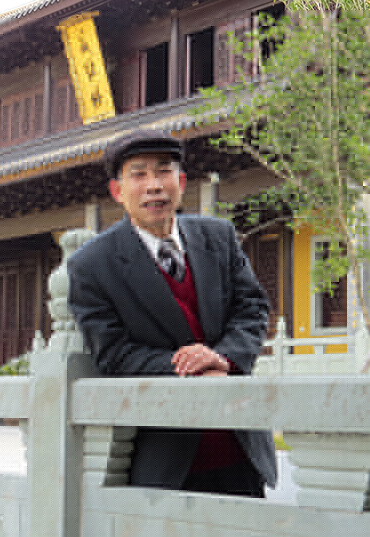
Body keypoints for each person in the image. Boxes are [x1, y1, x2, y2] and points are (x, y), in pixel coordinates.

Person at [67, 129, 277, 496]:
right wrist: (188, 365)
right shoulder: (92, 264)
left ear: (180, 183)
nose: (153, 186)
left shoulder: (219, 237)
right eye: (139, 174)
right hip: (165, 457)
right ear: (118, 191)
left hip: (238, 443)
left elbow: (252, 307)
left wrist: (223, 357)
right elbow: (114, 352)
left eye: (164, 172)